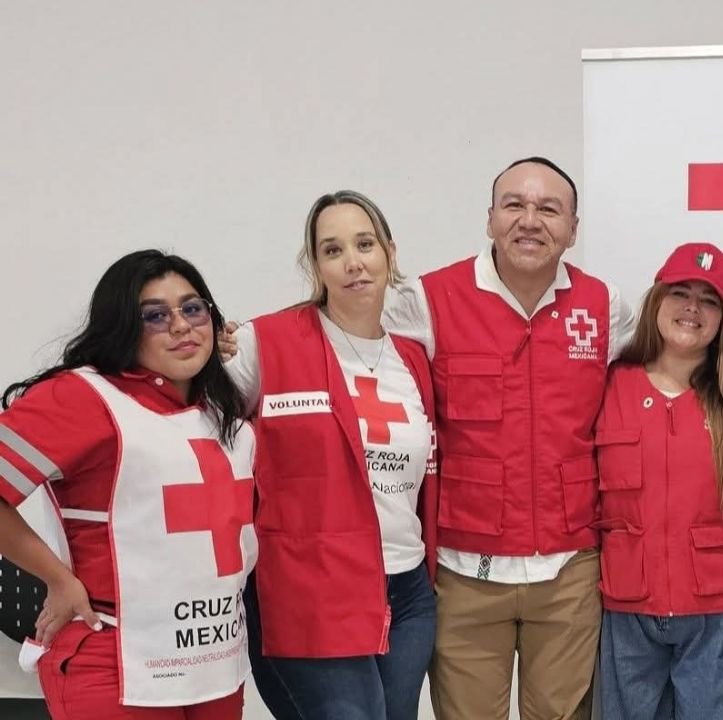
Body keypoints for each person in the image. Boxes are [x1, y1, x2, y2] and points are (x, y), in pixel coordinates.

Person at [382, 156, 635, 719]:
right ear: (490, 218)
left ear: (573, 228)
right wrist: (243, 345)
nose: (530, 220)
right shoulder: (429, 300)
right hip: (464, 571)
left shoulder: (605, 307)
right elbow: (344, 330)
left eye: (549, 208)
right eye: (514, 205)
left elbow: (677, 361)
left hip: (570, 570)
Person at [0, 249, 255, 719]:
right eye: (155, 316)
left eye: (192, 308)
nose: (180, 325)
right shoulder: (83, 397)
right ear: (123, 328)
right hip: (114, 663)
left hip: (215, 665)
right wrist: (57, 579)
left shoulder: (224, 405)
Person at [225, 191, 437, 720]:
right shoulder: (264, 344)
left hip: (406, 589)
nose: (352, 262)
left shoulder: (413, 358)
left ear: (389, 252)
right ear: (315, 265)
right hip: (313, 589)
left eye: (364, 244)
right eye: (332, 250)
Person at [595, 242, 723, 719]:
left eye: (709, 299)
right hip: (628, 612)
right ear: (657, 298)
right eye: (680, 292)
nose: (692, 308)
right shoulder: (608, 384)